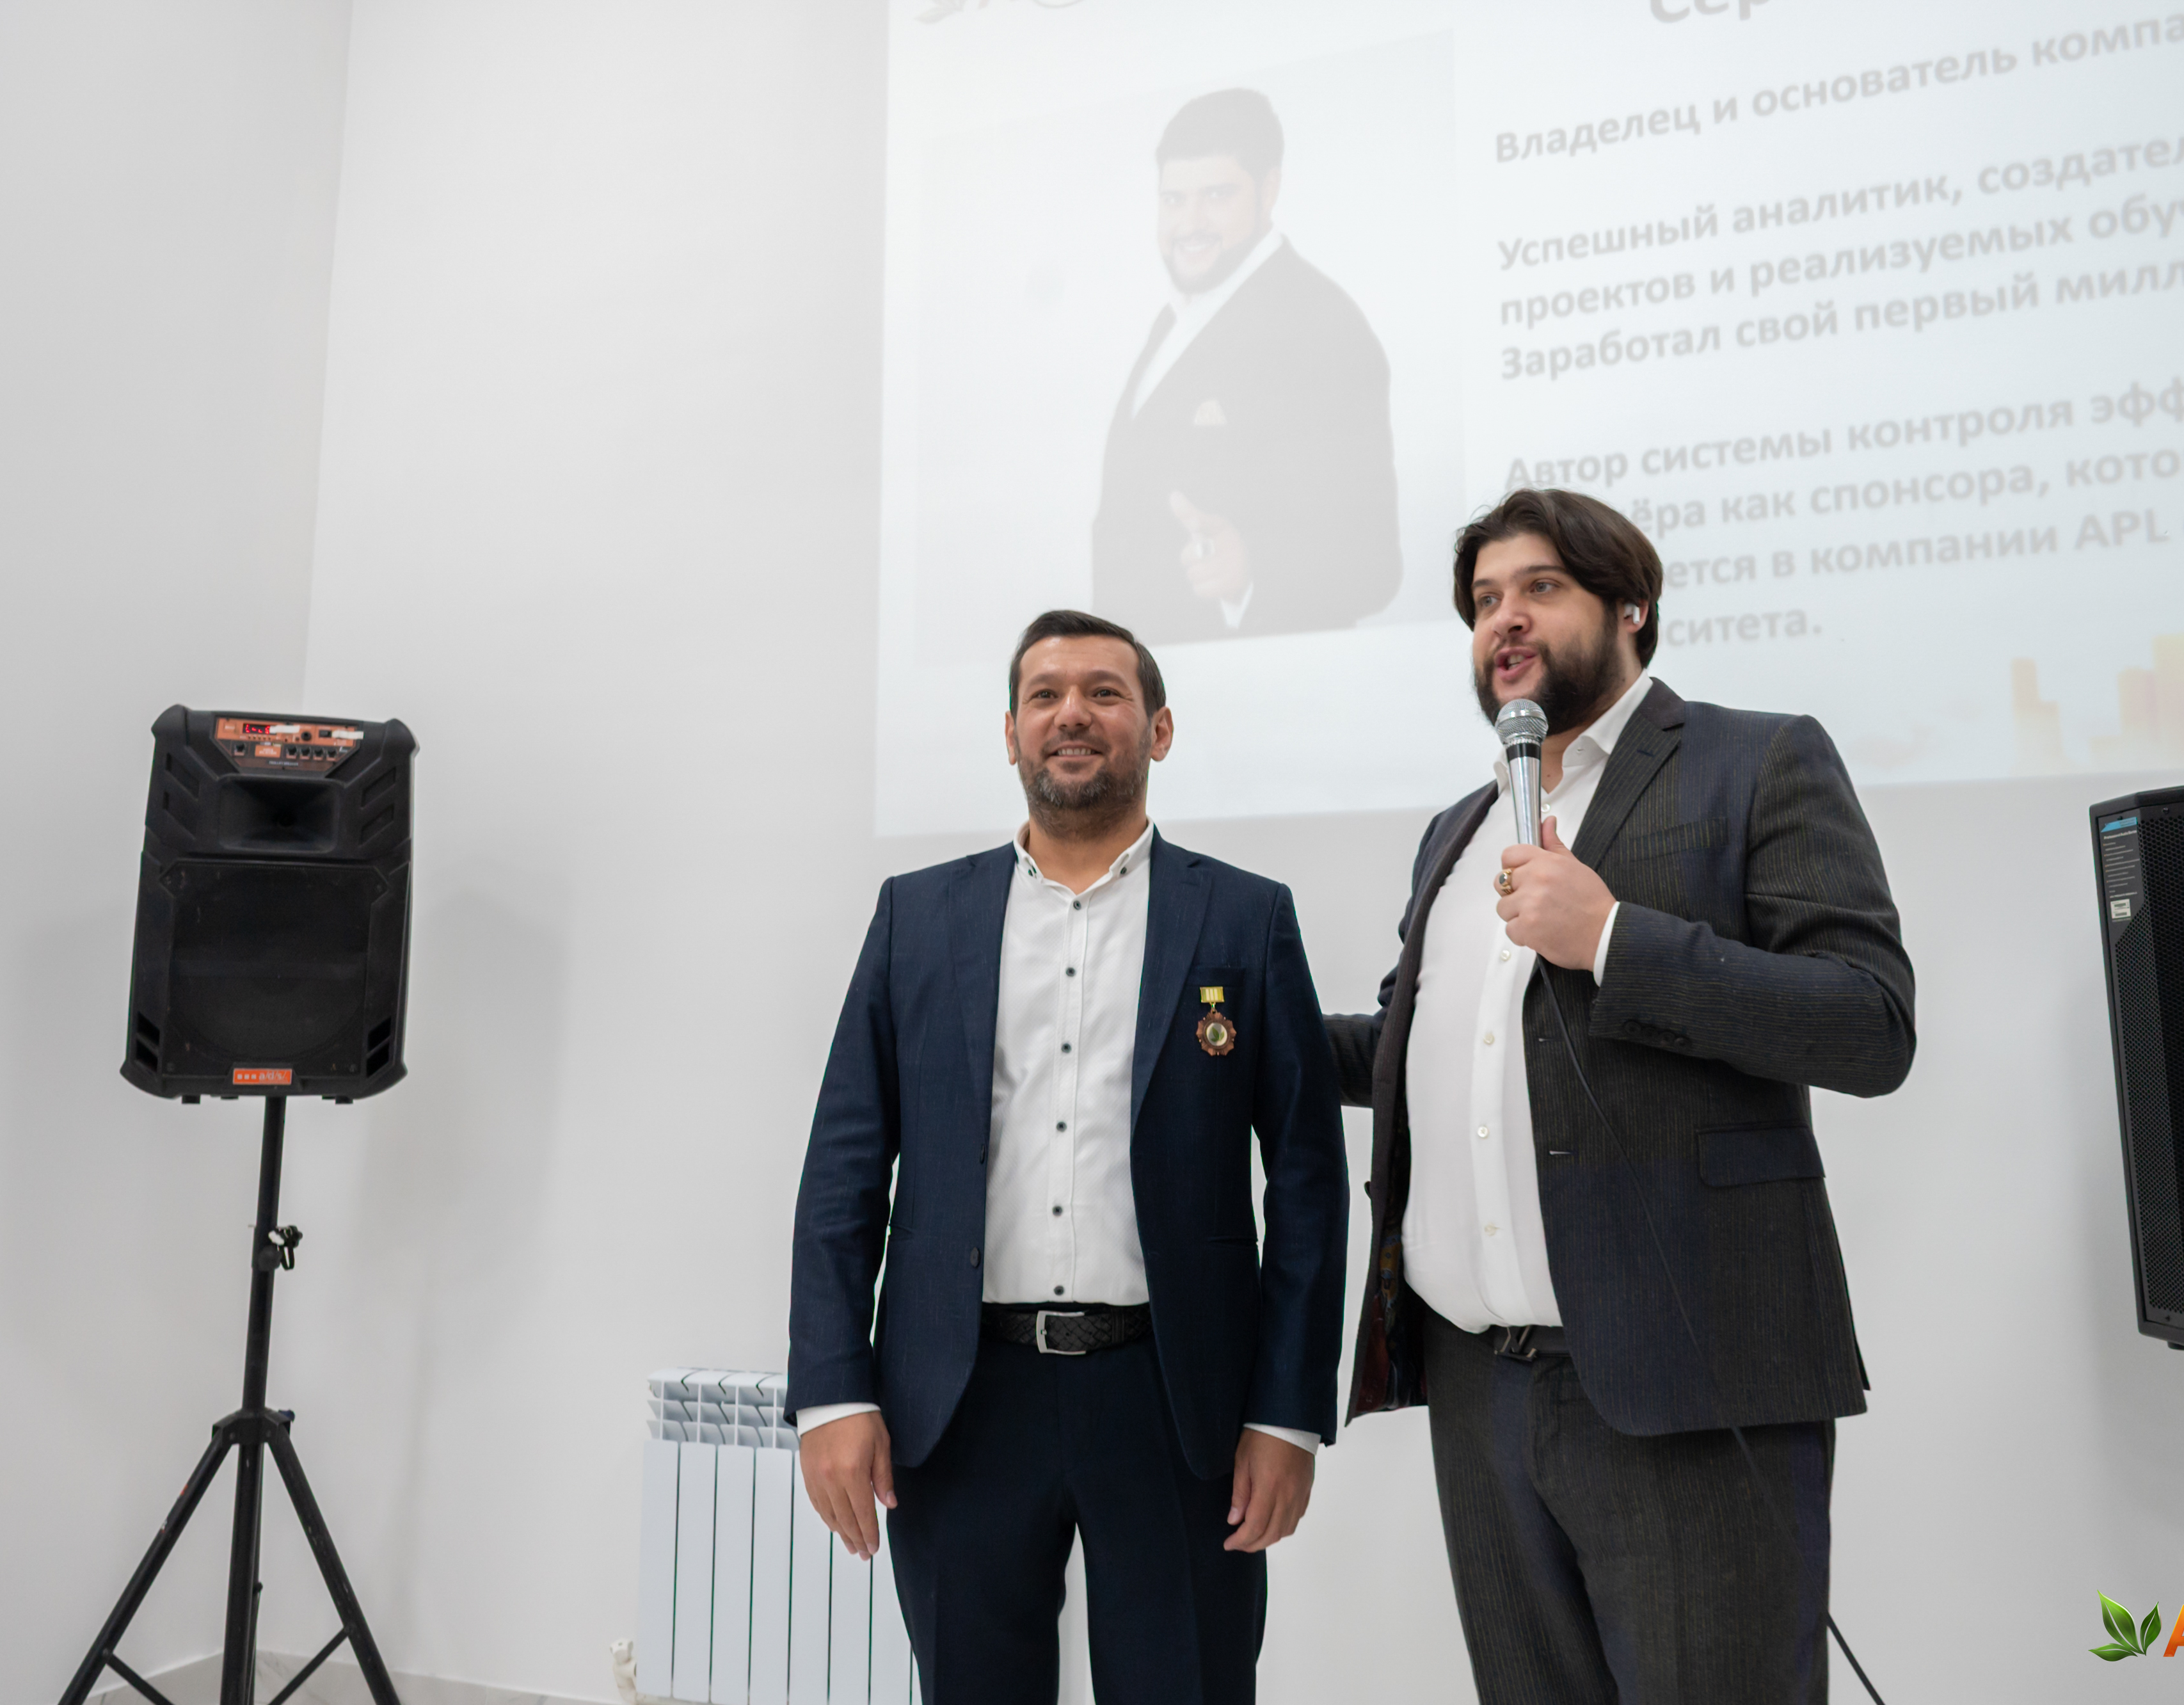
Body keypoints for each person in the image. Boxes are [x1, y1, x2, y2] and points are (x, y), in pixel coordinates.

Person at [1325, 489, 1917, 1702]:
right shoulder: (1459, 830)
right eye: (1484, 600)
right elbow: (1411, 1046)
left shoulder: (1757, 760)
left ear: (1631, 605)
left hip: (1684, 1382)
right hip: (1479, 1390)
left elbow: (1869, 1022)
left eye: (1539, 588)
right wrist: (1244, 1032)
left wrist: (1611, 938)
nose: (1504, 620)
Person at [788, 609, 1349, 1704]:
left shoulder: (1244, 918)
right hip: (961, 1398)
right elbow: (843, 1168)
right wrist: (831, 1392)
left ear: (1159, 728)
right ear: (1010, 732)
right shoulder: (917, 917)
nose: (1072, 714)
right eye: (1044, 695)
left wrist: (1285, 1410)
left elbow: (1308, 1183)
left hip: (1176, 1402)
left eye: (1104, 691)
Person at [1090, 88, 1400, 645]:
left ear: (1269, 189)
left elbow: (1373, 563)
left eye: (1216, 195)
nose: (1189, 222)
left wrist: (1253, 572)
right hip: (1149, 681)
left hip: (1260, 681)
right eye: (1174, 200)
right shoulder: (1177, 320)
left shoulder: (1320, 326)